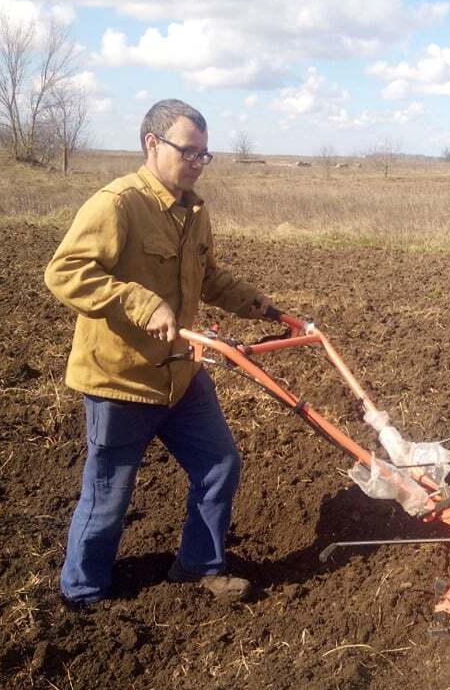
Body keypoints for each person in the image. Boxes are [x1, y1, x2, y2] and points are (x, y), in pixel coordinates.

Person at [45, 98, 280, 606]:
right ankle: (82, 593)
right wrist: (137, 300)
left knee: (220, 465)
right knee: (109, 493)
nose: (197, 163)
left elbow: (207, 275)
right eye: (189, 152)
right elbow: (65, 272)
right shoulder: (117, 204)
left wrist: (252, 301)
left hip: (180, 374)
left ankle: (199, 564)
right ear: (153, 144)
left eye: (204, 155)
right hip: (122, 377)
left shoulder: (193, 210)